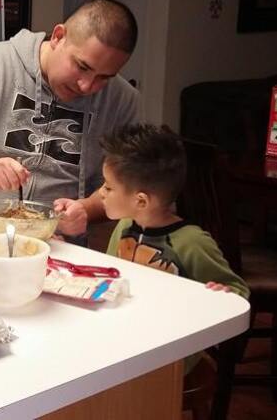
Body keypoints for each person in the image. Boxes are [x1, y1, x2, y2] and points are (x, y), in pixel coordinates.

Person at [0, 0, 140, 241]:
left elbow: (124, 186)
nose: (87, 85)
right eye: (82, 67)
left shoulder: (123, 101)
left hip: (59, 246)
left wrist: (86, 210)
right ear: (58, 36)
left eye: (104, 78)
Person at [100, 123, 249, 373]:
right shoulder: (125, 225)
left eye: (108, 187)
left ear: (141, 200)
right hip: (126, 336)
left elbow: (238, 291)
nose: (101, 193)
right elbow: (109, 274)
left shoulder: (191, 242)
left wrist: (222, 292)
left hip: (172, 353)